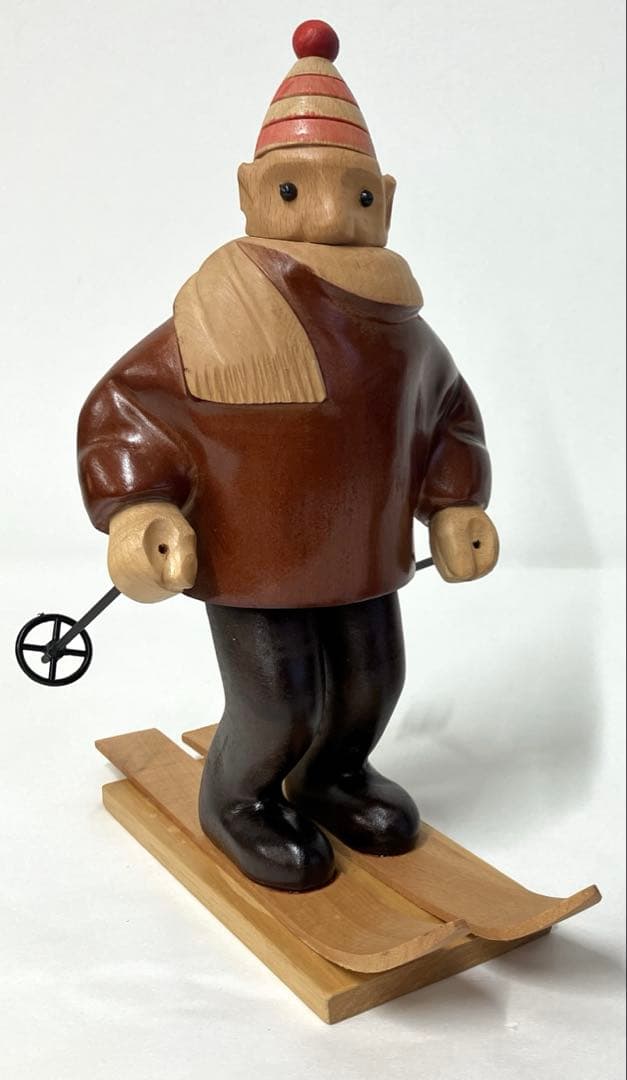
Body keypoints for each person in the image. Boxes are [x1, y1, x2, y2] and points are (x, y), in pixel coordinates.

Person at [77, 20, 499, 892]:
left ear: (386, 199)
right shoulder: (221, 315)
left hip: (363, 558)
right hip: (255, 562)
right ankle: (239, 799)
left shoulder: (406, 331)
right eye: (293, 189)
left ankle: (332, 776)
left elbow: (446, 416)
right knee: (277, 703)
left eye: (359, 196)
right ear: (249, 192)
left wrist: (455, 501)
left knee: (371, 685)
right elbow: (127, 405)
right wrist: (138, 506)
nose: (329, 215)